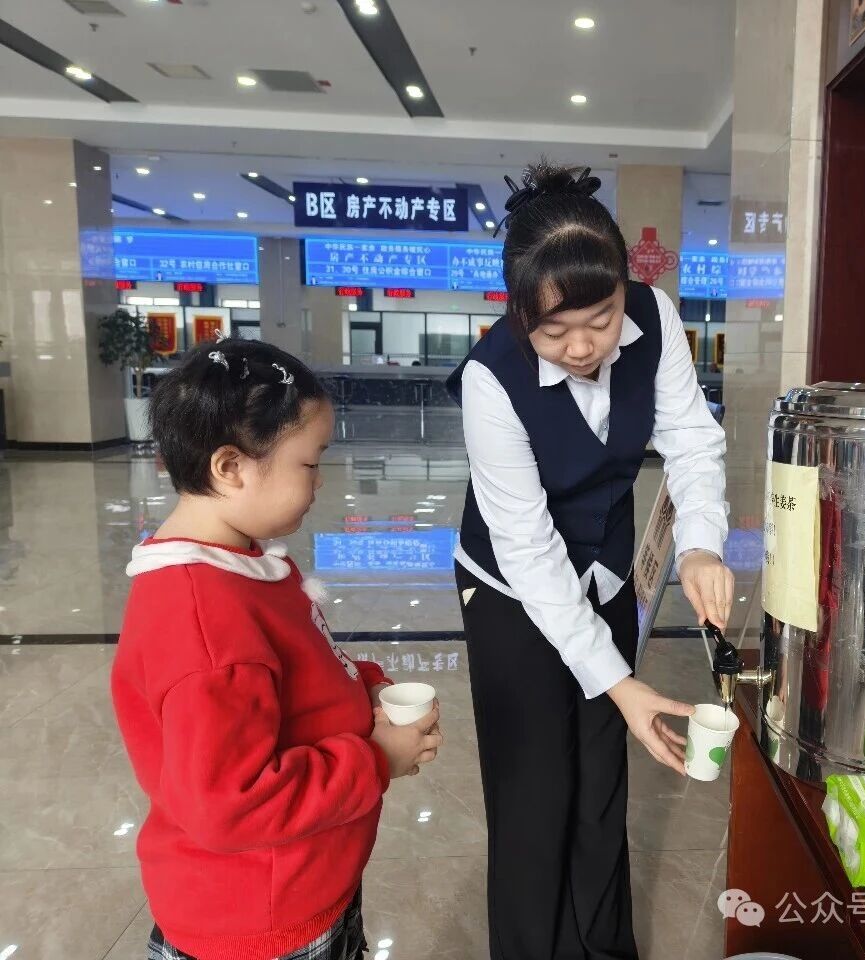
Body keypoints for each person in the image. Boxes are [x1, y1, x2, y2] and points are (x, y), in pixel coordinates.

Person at [446, 161, 733, 960]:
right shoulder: (491, 381)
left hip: (604, 570)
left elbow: (691, 439)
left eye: (601, 320)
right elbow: (529, 549)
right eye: (554, 331)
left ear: (622, 288)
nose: (582, 346)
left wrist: (701, 544)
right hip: (511, 588)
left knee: (601, 781)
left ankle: (604, 949)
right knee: (534, 789)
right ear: (518, 313)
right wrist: (618, 682)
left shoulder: (655, 316)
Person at [111, 339, 443, 960]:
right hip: (261, 922)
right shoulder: (206, 625)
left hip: (304, 882)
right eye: (309, 463)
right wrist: (376, 759)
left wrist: (365, 687)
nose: (319, 481)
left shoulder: (241, 563)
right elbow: (229, 805)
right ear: (230, 467)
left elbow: (299, 670)